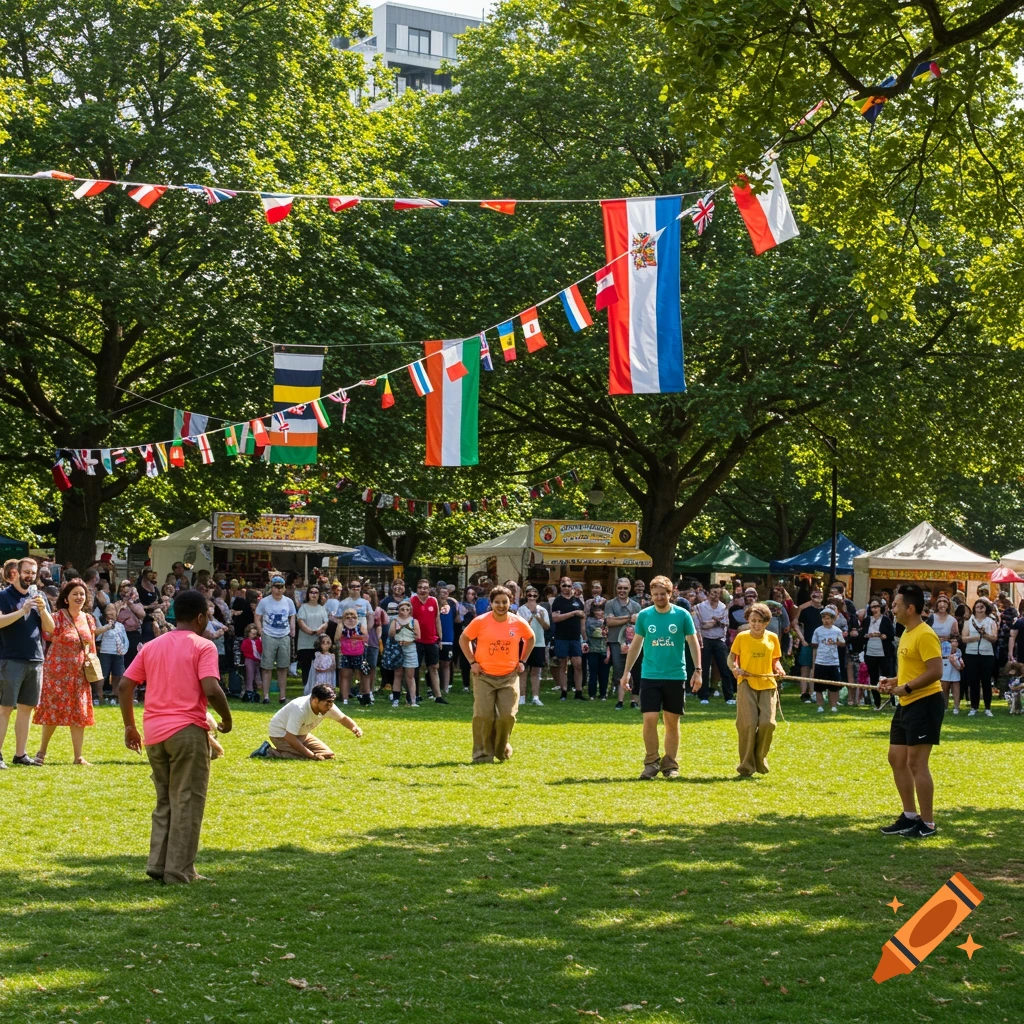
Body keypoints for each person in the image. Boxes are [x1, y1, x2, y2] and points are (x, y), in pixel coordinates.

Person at [118, 589, 233, 883]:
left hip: (154, 734)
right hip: (187, 732)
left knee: (165, 800)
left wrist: (129, 726)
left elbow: (124, 686)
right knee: (189, 800)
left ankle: (158, 863)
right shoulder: (203, 646)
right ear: (200, 617)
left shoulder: (152, 646)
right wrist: (227, 717)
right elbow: (210, 688)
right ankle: (180, 870)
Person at [619, 576, 702, 780]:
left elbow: (693, 643)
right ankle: (651, 762)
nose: (659, 598)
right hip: (650, 675)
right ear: (651, 595)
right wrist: (627, 671)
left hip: (675, 675)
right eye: (655, 594)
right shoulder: (645, 616)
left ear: (670, 593)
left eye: (662, 594)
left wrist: (698, 670)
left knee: (672, 721)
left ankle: (670, 765)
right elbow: (636, 644)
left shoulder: (682, 615)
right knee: (649, 719)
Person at [878, 584, 944, 838]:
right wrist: (894, 681)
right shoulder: (906, 632)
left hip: (925, 703)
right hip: (907, 703)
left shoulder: (925, 634)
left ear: (910, 607)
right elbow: (914, 669)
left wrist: (906, 688)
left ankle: (927, 823)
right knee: (896, 759)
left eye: (895, 605)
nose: (892, 609)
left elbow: (936, 671)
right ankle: (909, 816)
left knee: (917, 763)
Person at [458, 585, 535, 764]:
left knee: (507, 716)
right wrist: (472, 662)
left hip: (509, 676)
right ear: (491, 603)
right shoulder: (480, 621)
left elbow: (530, 638)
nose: (501, 605)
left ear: (511, 602)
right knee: (484, 716)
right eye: (497, 602)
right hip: (484, 675)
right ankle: (482, 754)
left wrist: (522, 661)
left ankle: (501, 750)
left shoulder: (517, 622)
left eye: (504, 602)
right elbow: (464, 639)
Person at [32, 581, 97, 765]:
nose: (79, 597)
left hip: (79, 674)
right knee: (53, 712)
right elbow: (48, 633)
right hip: (57, 673)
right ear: (66, 598)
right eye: (75, 594)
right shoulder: (57, 617)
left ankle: (78, 757)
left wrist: (92, 664)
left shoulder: (89, 619)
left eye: (82, 594)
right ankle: (41, 753)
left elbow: (91, 645)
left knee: (79, 714)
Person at [0, 557, 55, 768]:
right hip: (10, 658)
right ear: (15, 572)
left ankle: (20, 755)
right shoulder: (4, 596)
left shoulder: (39, 596)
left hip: (35, 658)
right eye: (26, 572)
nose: (30, 576)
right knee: (4, 709)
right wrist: (22, 611)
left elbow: (49, 628)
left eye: (33, 573)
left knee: (26, 709)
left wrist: (41, 610)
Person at [728, 602, 785, 776]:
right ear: (748, 620)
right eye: (753, 620)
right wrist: (735, 669)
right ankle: (746, 766)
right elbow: (731, 659)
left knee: (768, 723)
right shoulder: (742, 637)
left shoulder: (772, 638)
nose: (756, 624)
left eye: (760, 621)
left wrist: (779, 669)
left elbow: (775, 660)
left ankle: (760, 758)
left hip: (767, 684)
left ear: (766, 622)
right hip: (746, 683)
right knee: (748, 724)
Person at [251, 683, 362, 760]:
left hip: (301, 734)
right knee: (306, 757)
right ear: (315, 700)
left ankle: (297, 754)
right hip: (281, 734)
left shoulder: (328, 706)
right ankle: (268, 752)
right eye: (327, 703)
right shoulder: (299, 708)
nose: (330, 706)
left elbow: (343, 719)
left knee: (328, 755)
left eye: (332, 702)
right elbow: (290, 737)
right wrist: (310, 755)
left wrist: (354, 727)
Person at [255, 576, 296, 704]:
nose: (278, 590)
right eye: (276, 587)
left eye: (281, 587)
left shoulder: (288, 601)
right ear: (271, 588)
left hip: (284, 635)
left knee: (283, 667)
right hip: (269, 635)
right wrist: (261, 631)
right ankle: (266, 696)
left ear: (284, 588)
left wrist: (292, 629)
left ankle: (282, 696)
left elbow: (292, 615)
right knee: (267, 667)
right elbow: (257, 616)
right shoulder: (264, 602)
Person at [693, 583, 735, 707]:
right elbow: (698, 626)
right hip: (704, 640)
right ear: (708, 594)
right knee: (704, 669)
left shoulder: (723, 608)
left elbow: (725, 623)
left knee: (725, 668)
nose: (715, 596)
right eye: (713, 593)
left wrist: (711, 623)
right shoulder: (699, 607)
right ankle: (703, 696)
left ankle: (729, 696)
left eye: (718, 593)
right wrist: (714, 622)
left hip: (719, 640)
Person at [551, 576, 587, 701]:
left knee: (578, 664)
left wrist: (585, 637)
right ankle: (564, 691)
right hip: (562, 637)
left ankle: (578, 691)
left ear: (572, 586)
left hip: (575, 638)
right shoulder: (557, 601)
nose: (566, 588)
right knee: (563, 664)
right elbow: (555, 619)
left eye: (569, 585)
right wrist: (573, 613)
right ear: (560, 586)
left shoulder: (578, 601)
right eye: (564, 585)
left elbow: (583, 619)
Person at [961, 597, 998, 717]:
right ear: (974, 609)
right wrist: (975, 638)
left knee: (986, 681)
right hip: (971, 654)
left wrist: (985, 635)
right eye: (978, 607)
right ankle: (974, 707)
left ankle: (988, 707)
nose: (980, 609)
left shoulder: (991, 621)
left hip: (987, 654)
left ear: (986, 609)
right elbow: (963, 638)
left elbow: (994, 638)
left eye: (982, 607)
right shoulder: (968, 622)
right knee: (973, 681)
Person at [411, 579, 446, 704]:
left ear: (429, 589)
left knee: (434, 667)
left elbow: (437, 619)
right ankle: (416, 694)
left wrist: (440, 638)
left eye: (425, 587)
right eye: (420, 587)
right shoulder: (412, 601)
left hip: (431, 639)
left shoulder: (433, 601)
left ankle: (438, 696)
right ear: (417, 589)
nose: (423, 590)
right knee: (416, 668)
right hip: (417, 640)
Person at [860, 599, 895, 710]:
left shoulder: (886, 620)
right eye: (872, 607)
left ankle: (892, 701)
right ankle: (877, 703)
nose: (874, 609)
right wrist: (866, 635)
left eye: (876, 606)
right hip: (870, 652)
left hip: (884, 652)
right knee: (873, 677)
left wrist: (883, 635)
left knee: (887, 676)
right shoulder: (866, 620)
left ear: (881, 607)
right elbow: (862, 634)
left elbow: (891, 635)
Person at [517, 587, 548, 706]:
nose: (532, 598)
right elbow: (522, 627)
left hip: (539, 643)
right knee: (523, 671)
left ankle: (536, 697)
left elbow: (546, 627)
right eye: (529, 595)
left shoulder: (542, 610)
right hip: (524, 643)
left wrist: (539, 617)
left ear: (538, 596)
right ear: (526, 596)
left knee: (536, 671)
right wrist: (531, 617)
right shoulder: (521, 609)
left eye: (534, 595)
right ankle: (522, 697)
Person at [811, 606, 845, 713]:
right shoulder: (817, 630)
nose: (826, 620)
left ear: (833, 619)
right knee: (819, 686)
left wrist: (836, 642)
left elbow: (843, 643)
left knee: (833, 685)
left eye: (828, 618)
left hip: (833, 661)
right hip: (820, 661)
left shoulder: (837, 631)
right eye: (824, 618)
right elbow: (814, 644)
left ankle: (833, 705)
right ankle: (820, 705)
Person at [295, 584, 328, 692]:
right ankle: (306, 690)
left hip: (319, 643)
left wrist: (320, 629)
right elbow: (300, 622)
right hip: (305, 643)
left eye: (316, 592)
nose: (313, 595)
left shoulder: (322, 608)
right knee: (306, 668)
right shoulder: (303, 607)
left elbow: (326, 623)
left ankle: (318, 690)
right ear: (308, 594)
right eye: (311, 592)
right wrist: (309, 631)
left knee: (318, 667)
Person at [794, 588, 825, 703]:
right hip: (807, 642)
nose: (817, 597)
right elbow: (795, 623)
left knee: (815, 669)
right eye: (814, 595)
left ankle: (813, 693)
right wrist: (802, 639)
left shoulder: (825, 612)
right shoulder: (805, 610)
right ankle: (804, 693)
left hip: (820, 644)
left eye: (819, 595)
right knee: (805, 668)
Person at [95, 602, 129, 706]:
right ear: (105, 613)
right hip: (105, 653)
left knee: (117, 675)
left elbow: (125, 639)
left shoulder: (120, 626)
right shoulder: (102, 625)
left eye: (113, 610)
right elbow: (97, 637)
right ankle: (98, 697)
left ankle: (115, 697)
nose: (111, 612)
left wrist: (124, 650)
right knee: (102, 675)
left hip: (118, 654)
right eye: (109, 610)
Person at [388, 599, 420, 707]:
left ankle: (412, 700)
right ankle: (396, 699)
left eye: (407, 609)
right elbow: (391, 634)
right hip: (398, 648)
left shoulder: (414, 621)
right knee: (398, 674)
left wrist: (409, 640)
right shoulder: (395, 621)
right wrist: (395, 627)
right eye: (402, 609)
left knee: (410, 675)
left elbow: (418, 636)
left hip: (410, 648)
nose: (404, 611)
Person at [336, 608, 368, 705]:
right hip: (345, 653)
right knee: (345, 676)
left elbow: (366, 638)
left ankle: (364, 695)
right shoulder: (341, 626)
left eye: (353, 615)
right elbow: (336, 638)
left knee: (362, 675)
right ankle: (345, 698)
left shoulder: (360, 626)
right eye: (348, 615)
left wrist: (353, 638)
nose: (350, 618)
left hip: (359, 653)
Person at [585, 602, 611, 699]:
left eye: (600, 610)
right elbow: (589, 634)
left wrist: (609, 652)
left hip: (605, 650)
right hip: (592, 650)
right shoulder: (588, 621)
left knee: (604, 674)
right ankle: (592, 694)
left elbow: (610, 637)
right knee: (593, 673)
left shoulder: (609, 621)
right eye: (596, 610)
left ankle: (603, 694)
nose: (599, 612)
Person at [437, 583, 456, 694]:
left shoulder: (452, 605)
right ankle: (434, 686)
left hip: (448, 638)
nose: (444, 594)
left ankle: (446, 687)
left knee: (447, 663)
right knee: (435, 664)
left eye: (446, 592)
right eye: (442, 592)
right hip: (436, 637)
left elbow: (457, 619)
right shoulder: (434, 605)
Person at [240, 623, 262, 702]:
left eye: (255, 634)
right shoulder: (246, 641)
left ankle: (255, 689)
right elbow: (244, 649)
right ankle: (249, 690)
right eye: (252, 633)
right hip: (249, 660)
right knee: (250, 675)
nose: (253, 635)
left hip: (256, 660)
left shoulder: (257, 641)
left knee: (257, 674)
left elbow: (260, 649)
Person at [943, 634, 964, 713]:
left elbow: (958, 661)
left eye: (955, 641)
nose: (954, 643)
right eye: (952, 641)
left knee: (956, 689)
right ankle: (945, 706)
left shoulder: (959, 651)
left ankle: (956, 707)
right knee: (945, 690)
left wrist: (960, 666)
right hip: (945, 670)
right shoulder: (944, 649)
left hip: (955, 671)